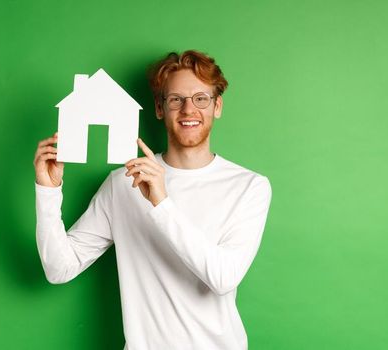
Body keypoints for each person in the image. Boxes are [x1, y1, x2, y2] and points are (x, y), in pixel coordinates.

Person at [32, 50, 272, 349]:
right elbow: (59, 269)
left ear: (217, 106)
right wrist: (48, 191)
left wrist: (162, 202)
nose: (188, 110)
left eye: (201, 98)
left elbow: (223, 278)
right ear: (160, 108)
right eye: (176, 99)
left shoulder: (249, 186)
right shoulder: (122, 184)